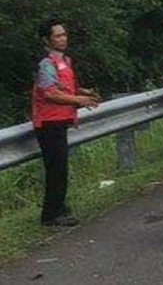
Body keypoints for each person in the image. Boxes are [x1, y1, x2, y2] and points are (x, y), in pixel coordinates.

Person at [32, 19, 100, 227]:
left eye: (64, 35)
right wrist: (79, 101)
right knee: (56, 170)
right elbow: (50, 93)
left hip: (60, 121)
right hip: (49, 123)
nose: (63, 39)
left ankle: (58, 207)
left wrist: (84, 92)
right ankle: (51, 214)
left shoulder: (64, 61)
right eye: (58, 36)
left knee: (60, 169)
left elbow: (65, 88)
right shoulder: (47, 63)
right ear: (47, 39)